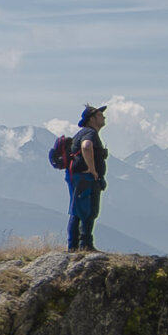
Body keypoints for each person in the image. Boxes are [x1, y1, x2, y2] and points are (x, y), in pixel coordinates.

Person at [67, 103, 108, 252]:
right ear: (91, 119)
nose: (104, 117)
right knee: (87, 210)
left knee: (79, 210)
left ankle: (75, 245)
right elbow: (86, 146)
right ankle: (84, 245)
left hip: (78, 177)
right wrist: (92, 169)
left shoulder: (83, 133)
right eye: (100, 115)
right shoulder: (90, 133)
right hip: (86, 178)